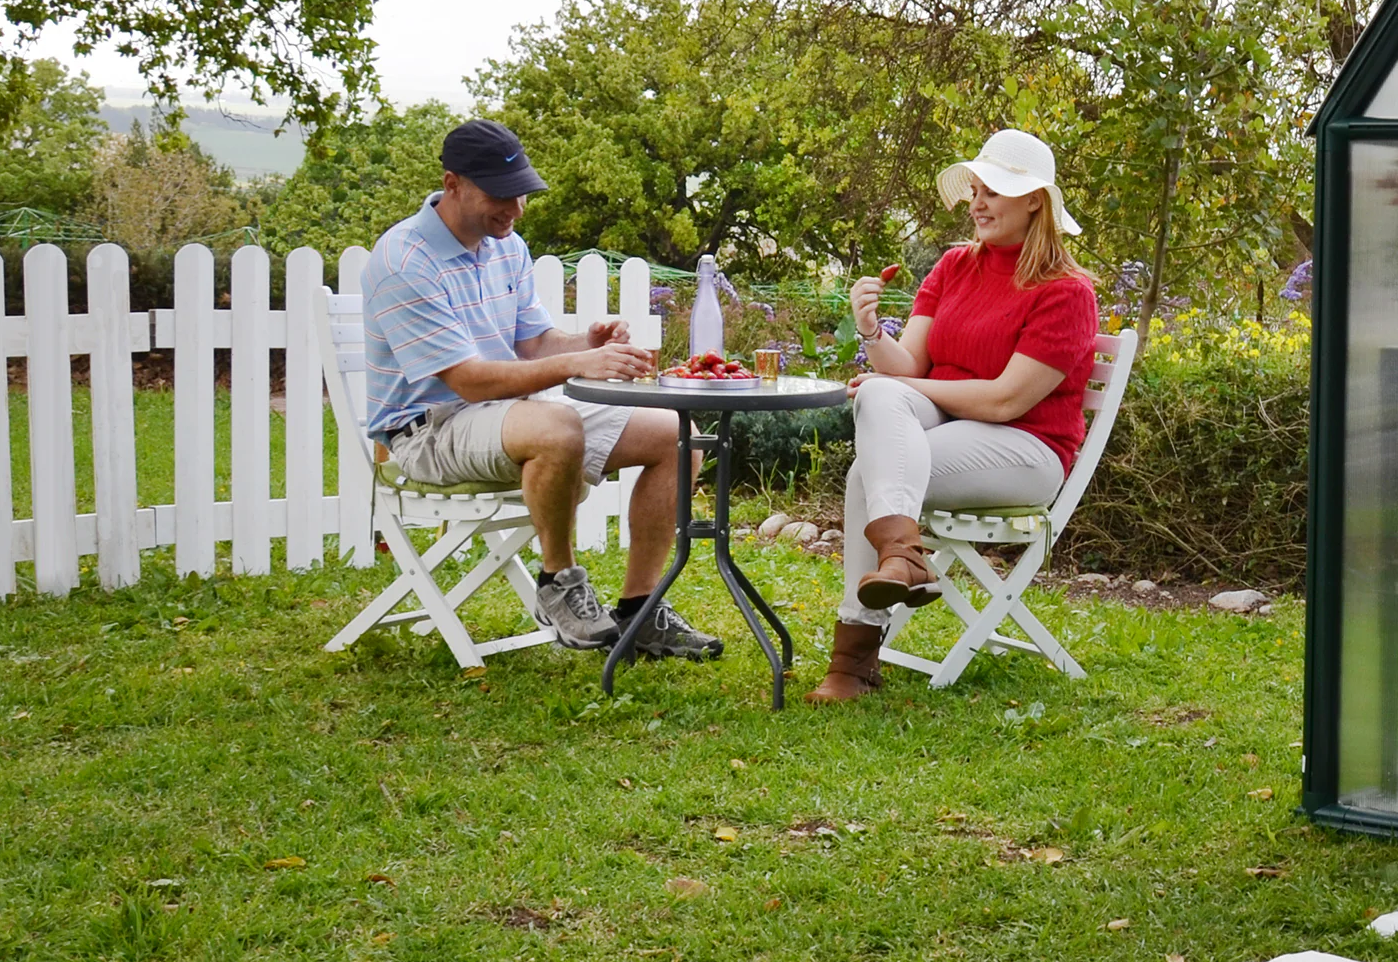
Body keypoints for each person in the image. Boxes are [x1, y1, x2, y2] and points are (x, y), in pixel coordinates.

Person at [359, 120, 723, 660]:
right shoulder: (403, 261)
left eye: (521, 193)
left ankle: (641, 610)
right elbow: (467, 380)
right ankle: (558, 582)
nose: (516, 208)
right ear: (452, 183)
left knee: (676, 433)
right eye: (500, 195)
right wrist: (581, 361)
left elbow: (532, 344)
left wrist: (582, 340)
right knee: (557, 426)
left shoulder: (506, 248)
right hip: (425, 432)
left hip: (507, 415)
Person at [811, 128, 1099, 701]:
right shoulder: (954, 268)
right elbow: (908, 364)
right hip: (954, 433)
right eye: (974, 190)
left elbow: (1004, 401)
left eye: (992, 190)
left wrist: (899, 383)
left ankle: (853, 662)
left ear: (1035, 200)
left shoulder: (1066, 292)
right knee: (879, 397)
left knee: (869, 462)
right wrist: (871, 331)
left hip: (1025, 450)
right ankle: (902, 559)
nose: (976, 203)